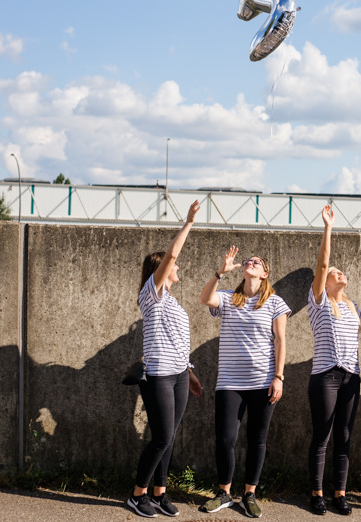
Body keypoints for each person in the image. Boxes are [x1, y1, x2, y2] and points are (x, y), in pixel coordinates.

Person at [198, 248, 290, 518]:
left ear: (265, 274)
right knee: (226, 439)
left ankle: (249, 493)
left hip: (263, 382)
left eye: (257, 262)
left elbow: (280, 341)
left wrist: (279, 377)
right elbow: (205, 299)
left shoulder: (275, 302)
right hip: (229, 382)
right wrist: (220, 272)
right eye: (248, 261)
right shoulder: (228, 298)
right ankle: (224, 493)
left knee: (257, 440)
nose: (251, 262)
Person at [127, 200, 204, 519]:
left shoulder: (171, 301)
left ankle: (160, 493)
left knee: (169, 437)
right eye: (170, 264)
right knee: (160, 437)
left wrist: (189, 372)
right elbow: (172, 254)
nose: (176, 266)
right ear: (160, 269)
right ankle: (137, 495)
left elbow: (178, 341)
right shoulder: (152, 292)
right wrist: (188, 223)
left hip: (177, 375)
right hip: (157, 375)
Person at [307, 205, 361, 515]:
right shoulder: (318, 301)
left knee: (344, 435)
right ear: (324, 282)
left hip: (350, 377)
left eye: (341, 272)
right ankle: (316, 493)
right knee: (322, 435)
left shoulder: (353, 307)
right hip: (325, 376)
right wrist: (328, 226)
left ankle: (339, 493)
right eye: (333, 273)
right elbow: (323, 261)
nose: (338, 273)